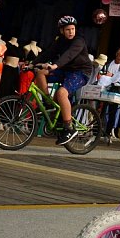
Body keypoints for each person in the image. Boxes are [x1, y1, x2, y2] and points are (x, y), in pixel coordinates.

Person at [34, 15, 93, 145]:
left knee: (61, 93)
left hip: (81, 72)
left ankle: (69, 128)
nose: (71, 32)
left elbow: (69, 55)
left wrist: (55, 65)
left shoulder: (79, 41)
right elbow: (48, 53)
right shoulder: (60, 40)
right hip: (66, 70)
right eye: (68, 29)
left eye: (73, 29)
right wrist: (32, 63)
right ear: (61, 31)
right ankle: (48, 103)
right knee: (40, 73)